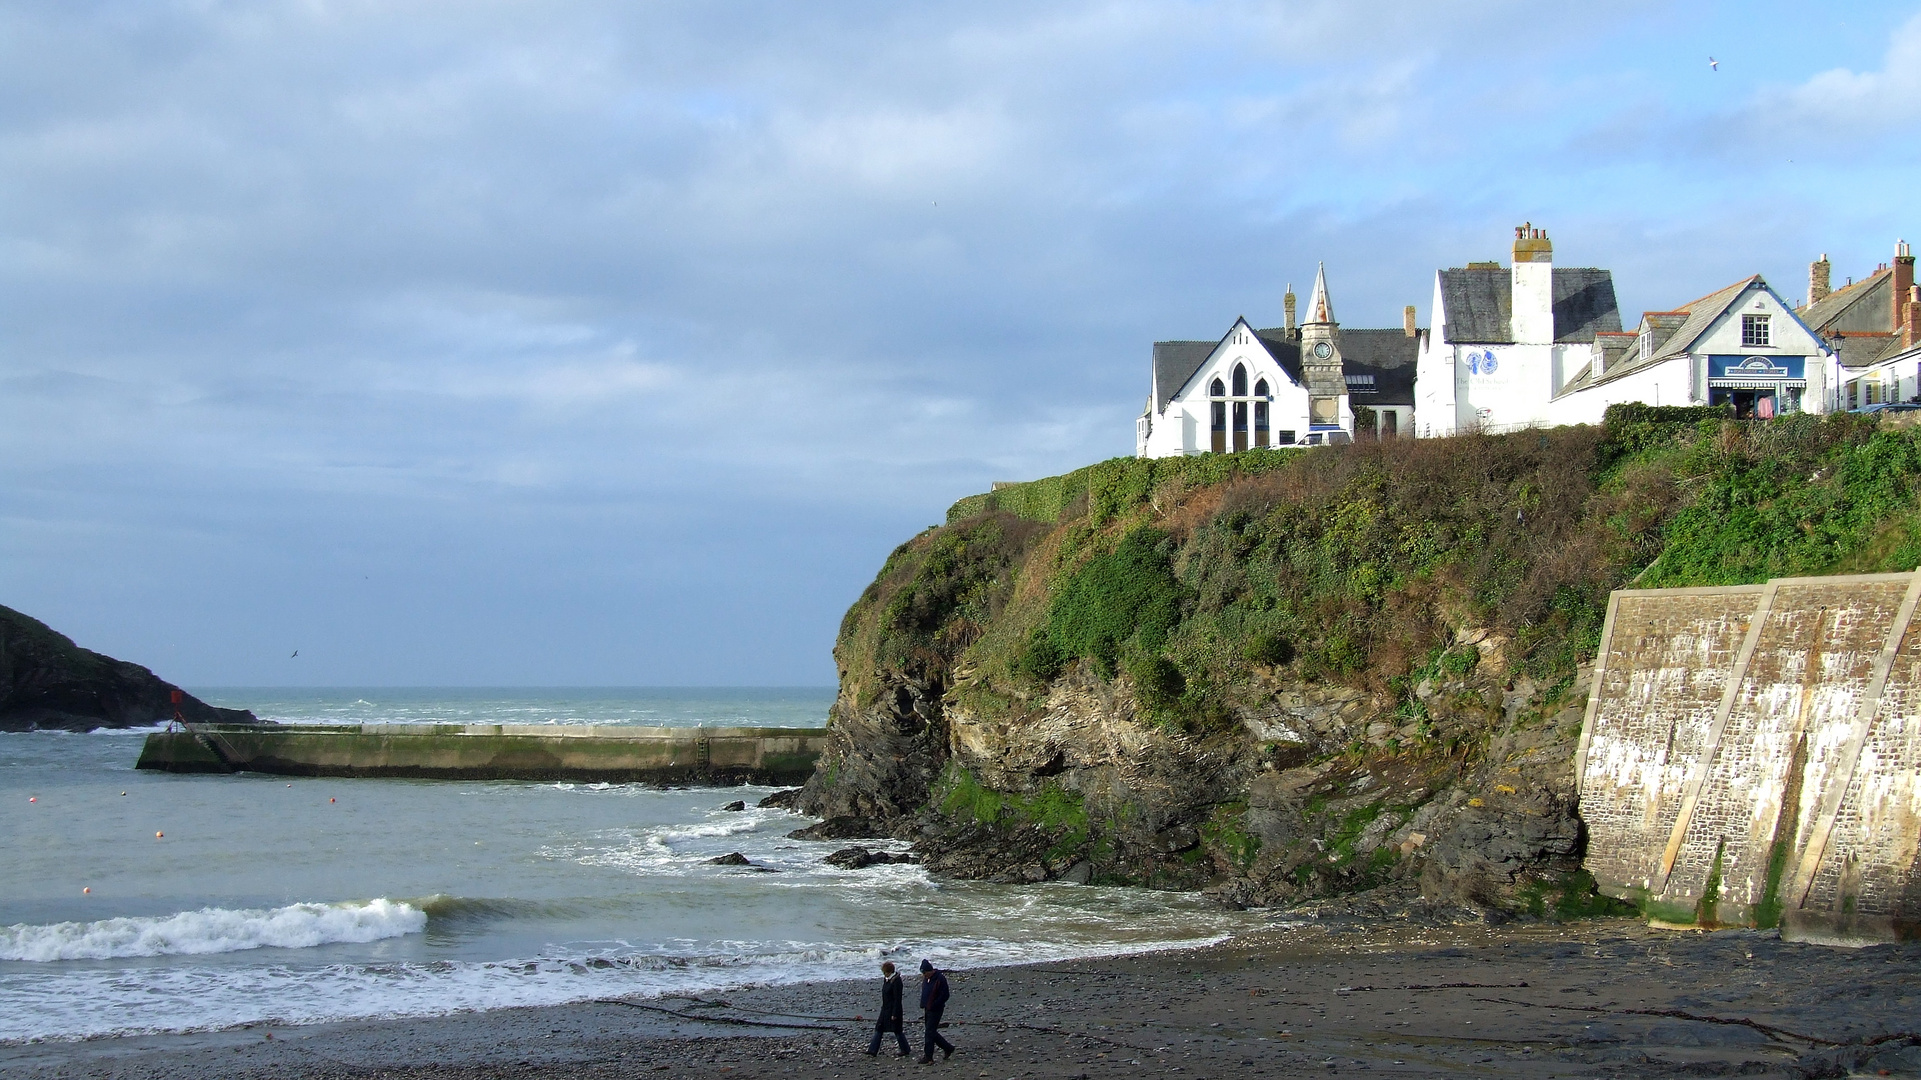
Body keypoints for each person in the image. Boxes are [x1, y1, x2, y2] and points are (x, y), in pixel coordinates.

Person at [865, 961, 910, 1057]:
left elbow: (897, 999)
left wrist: (894, 1013)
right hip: (885, 1008)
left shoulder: (896, 981)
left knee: (897, 1030)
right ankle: (872, 1050)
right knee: (879, 1028)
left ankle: (905, 1049)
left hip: (893, 1009)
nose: (884, 974)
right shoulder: (887, 980)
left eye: (885, 972)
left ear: (889, 972)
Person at [917, 959, 955, 1063]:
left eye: (925, 973)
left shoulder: (940, 978)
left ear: (930, 970)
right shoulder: (926, 979)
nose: (924, 975)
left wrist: (934, 1004)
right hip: (927, 1008)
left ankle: (928, 1056)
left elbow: (945, 995)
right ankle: (948, 1048)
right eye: (922, 973)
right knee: (931, 1032)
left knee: (929, 1032)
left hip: (936, 1009)